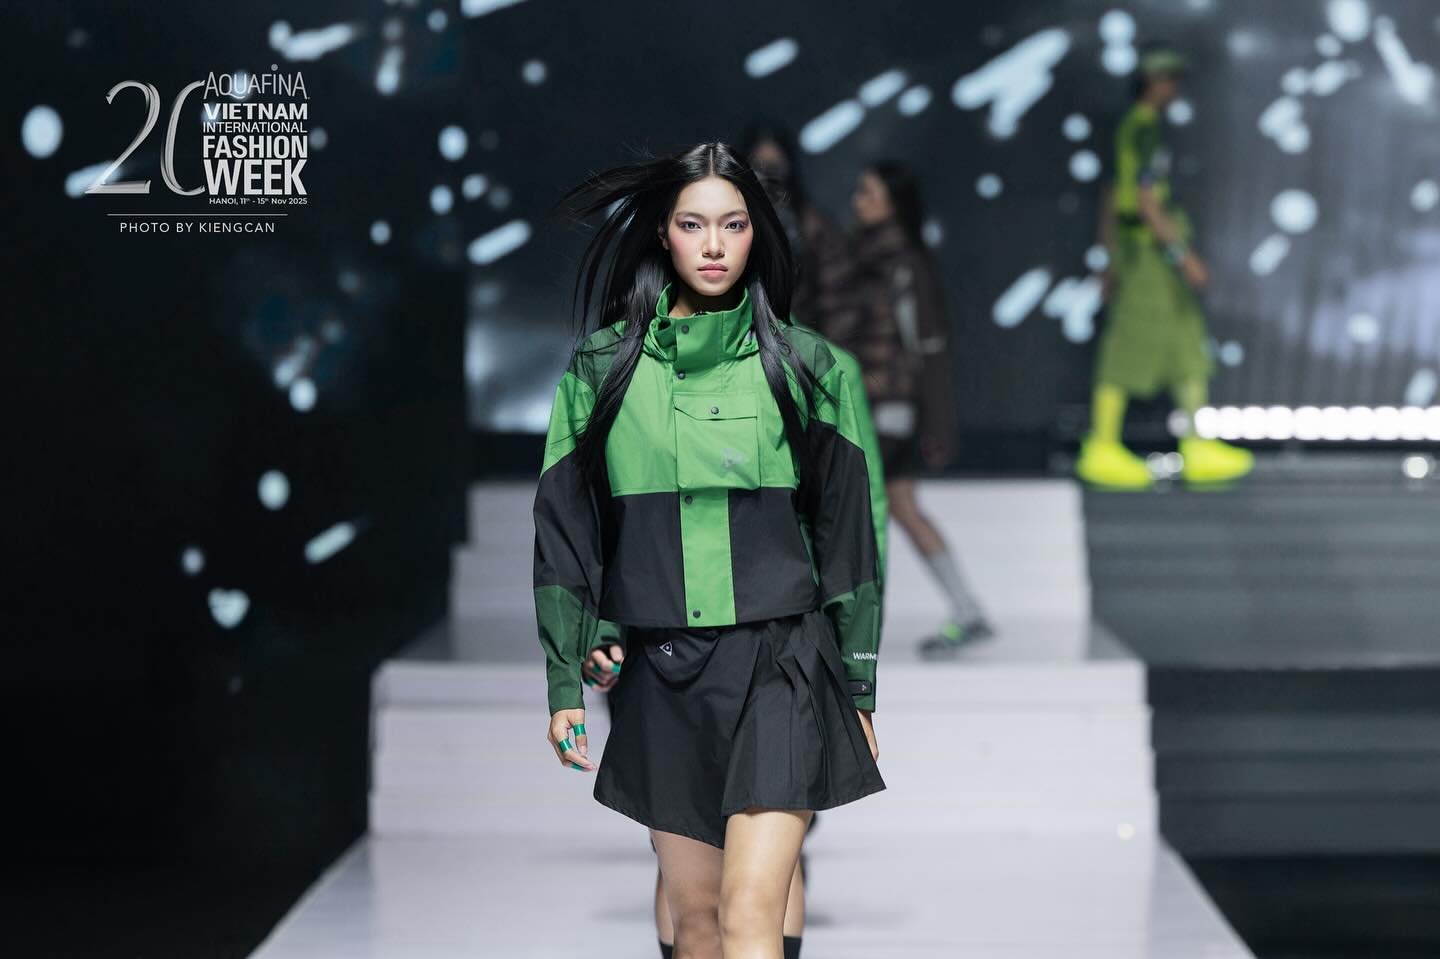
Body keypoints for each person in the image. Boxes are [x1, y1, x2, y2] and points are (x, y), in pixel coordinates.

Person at [534, 141, 886, 959]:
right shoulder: (603, 369)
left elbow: (848, 536)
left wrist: (859, 683)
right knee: (695, 921)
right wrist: (565, 671)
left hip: (781, 660)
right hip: (663, 667)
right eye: (694, 224)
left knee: (749, 907)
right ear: (664, 234)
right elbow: (567, 525)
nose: (716, 244)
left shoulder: (807, 367)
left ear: (758, 233)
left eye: (734, 224)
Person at [830, 160, 994, 658]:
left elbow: (927, 347)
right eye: (859, 190)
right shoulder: (863, 256)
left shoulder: (903, 264)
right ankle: (967, 609)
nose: (859, 200)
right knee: (899, 506)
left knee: (855, 510)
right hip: (871, 403)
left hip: (886, 408)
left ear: (894, 202)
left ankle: (848, 628)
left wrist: (938, 423)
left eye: (870, 191)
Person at [1076, 46, 1255, 489]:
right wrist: (1182, 255)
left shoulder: (1137, 129)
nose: (1174, 88)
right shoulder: (1142, 130)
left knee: (1186, 345)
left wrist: (1107, 256)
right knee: (1128, 346)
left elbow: (1111, 194)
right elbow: (1144, 201)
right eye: (1169, 79)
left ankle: (1196, 442)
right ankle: (1102, 445)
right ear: (1153, 82)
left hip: (1143, 254)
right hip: (1149, 258)